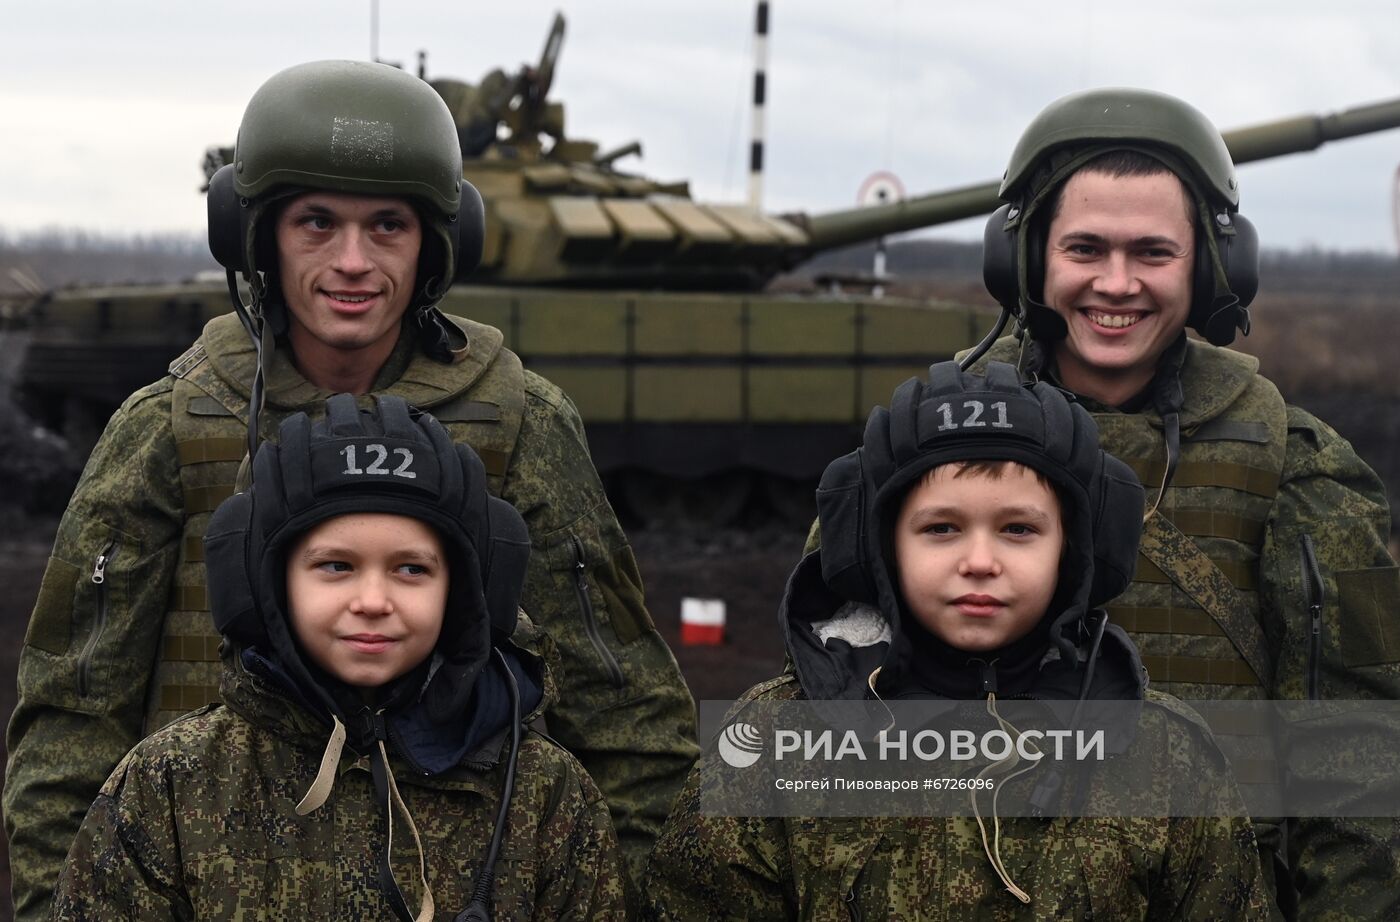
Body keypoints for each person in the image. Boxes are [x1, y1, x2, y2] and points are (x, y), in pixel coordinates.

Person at [5, 59, 696, 918]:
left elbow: (628, 720)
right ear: (255, 235)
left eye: (389, 226)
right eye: (316, 223)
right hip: (205, 871)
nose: (353, 262)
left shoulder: (520, 424)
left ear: (439, 243)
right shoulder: (173, 426)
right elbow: (71, 722)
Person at [971, 87, 1400, 918]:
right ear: (1024, 260)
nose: (1117, 283)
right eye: (1085, 249)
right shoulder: (927, 451)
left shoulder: (1303, 469)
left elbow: (1365, 750)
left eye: (1152, 253)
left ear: (1211, 266)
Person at [645, 362, 1269, 919]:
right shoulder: (776, 747)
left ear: (1076, 550)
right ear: (879, 546)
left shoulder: (1166, 757)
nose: (979, 561)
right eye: (940, 528)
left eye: (1019, 529)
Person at [49, 393, 626, 920]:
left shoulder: (542, 792)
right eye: (335, 566)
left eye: (412, 569)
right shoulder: (173, 783)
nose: (373, 602)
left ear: (469, 591)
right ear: (265, 586)